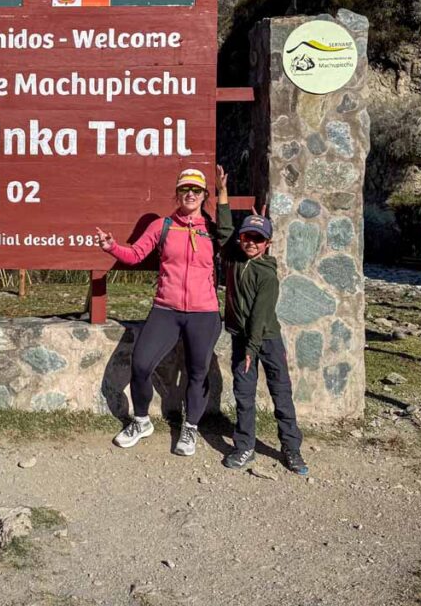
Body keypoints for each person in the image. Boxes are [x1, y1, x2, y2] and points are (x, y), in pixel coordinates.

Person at [96, 167, 227, 455]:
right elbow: (135, 254)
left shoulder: (214, 229)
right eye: (184, 189)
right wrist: (112, 247)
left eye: (196, 190)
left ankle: (190, 428)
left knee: (197, 372)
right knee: (141, 365)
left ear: (205, 195)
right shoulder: (162, 226)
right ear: (177, 193)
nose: (190, 194)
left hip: (203, 312)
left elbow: (231, 244)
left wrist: (225, 194)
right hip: (166, 309)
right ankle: (141, 422)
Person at [216, 181, 308, 475]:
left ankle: (292, 450)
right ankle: (244, 447)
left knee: (281, 393)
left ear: (268, 243)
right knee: (244, 396)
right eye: (248, 237)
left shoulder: (267, 275)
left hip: (265, 340)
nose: (251, 242)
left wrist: (250, 350)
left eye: (258, 238)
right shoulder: (233, 258)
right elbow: (224, 230)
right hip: (242, 339)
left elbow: (259, 315)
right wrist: (223, 194)